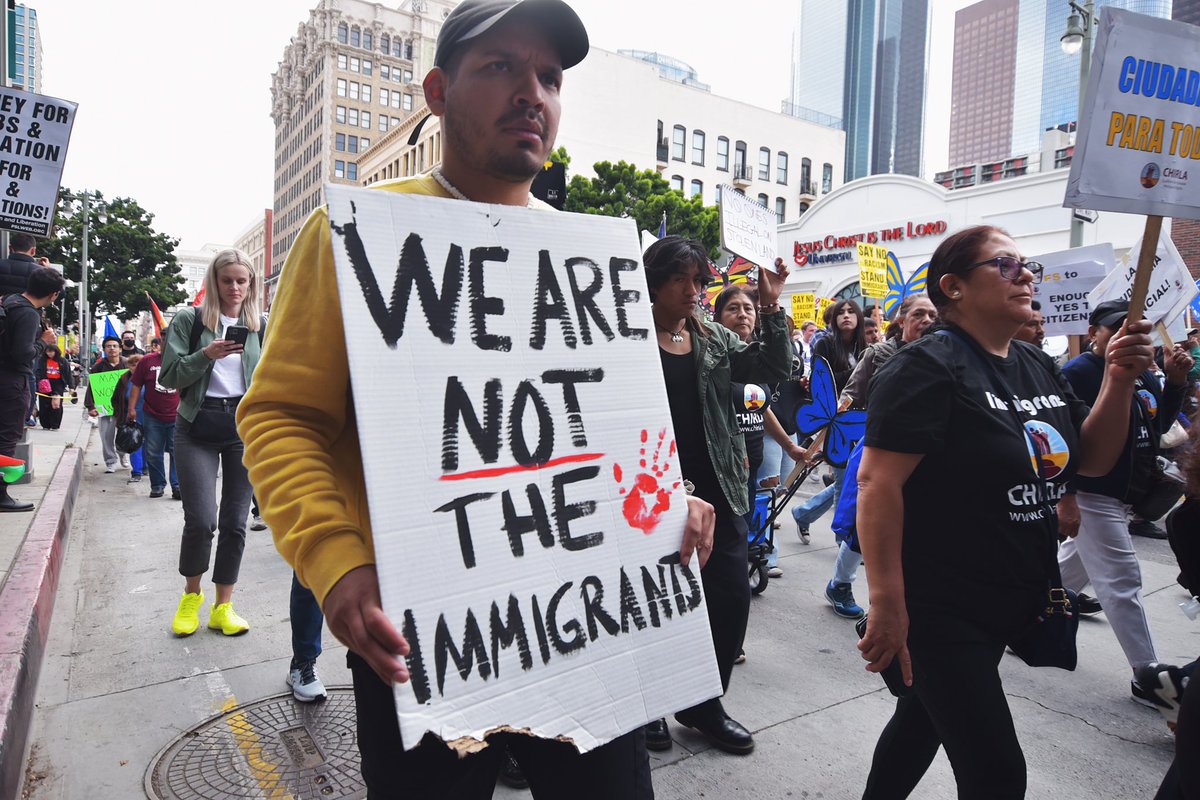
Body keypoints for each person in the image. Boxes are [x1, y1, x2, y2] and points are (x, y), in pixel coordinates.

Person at [238, 3, 697, 796]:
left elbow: (614, 431)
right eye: (501, 68)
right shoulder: (354, 233)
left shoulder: (585, 253)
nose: (533, 93)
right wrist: (336, 564)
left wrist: (667, 507)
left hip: (591, 627)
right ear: (438, 92)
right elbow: (281, 418)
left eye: (550, 78)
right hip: (422, 636)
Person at [856, 224, 1153, 799]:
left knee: (921, 723)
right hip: (940, 608)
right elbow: (876, 484)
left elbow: (1089, 461)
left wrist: (1118, 381)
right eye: (1006, 265)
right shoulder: (926, 366)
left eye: (1028, 266)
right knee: (997, 774)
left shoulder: (1033, 363)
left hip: (1008, 597)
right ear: (955, 287)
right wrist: (888, 604)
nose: (1026, 277)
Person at [640, 236, 791, 757]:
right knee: (654, 602)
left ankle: (703, 703)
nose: (692, 289)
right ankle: (647, 710)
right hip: (650, 492)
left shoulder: (712, 338)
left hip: (723, 487)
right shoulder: (625, 337)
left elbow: (773, 371)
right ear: (653, 281)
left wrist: (771, 306)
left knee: (728, 601)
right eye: (680, 278)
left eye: (700, 280)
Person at [1055, 299, 1191, 703]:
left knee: (1064, 574)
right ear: (1094, 331)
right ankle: (1148, 676)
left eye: (1133, 328)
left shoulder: (1145, 374)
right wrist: (1068, 494)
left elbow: (1159, 425)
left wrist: (1177, 382)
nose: (1124, 335)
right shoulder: (1078, 372)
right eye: (1113, 327)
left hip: (1128, 490)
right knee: (1122, 579)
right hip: (1094, 490)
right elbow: (1063, 437)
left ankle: (1016, 623)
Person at [159, 248, 262, 638]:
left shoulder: (259, 324)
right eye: (227, 280)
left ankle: (223, 606)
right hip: (196, 427)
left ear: (250, 284)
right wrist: (206, 354)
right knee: (201, 521)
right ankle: (191, 597)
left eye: (242, 280)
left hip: (242, 430)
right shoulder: (190, 319)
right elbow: (169, 376)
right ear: (213, 283)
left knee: (235, 523)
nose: (235, 287)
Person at [819, 294, 937, 619]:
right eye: (920, 314)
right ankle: (840, 583)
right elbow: (851, 392)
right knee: (867, 525)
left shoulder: (941, 355)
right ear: (901, 319)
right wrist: (830, 427)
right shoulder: (879, 353)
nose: (928, 320)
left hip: (925, 453)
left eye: (933, 315)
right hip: (878, 448)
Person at [713, 284, 805, 580]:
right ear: (717, 317)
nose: (742, 314)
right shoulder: (714, 358)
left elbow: (760, 408)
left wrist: (790, 447)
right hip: (724, 466)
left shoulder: (757, 360)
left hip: (750, 463)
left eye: (749, 308)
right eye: (733, 308)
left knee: (749, 523)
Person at [791, 298, 867, 544]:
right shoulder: (825, 343)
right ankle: (843, 541)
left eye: (850, 311)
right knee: (845, 481)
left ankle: (803, 513)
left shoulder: (865, 348)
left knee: (850, 481)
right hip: (835, 421)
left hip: (861, 420)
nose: (846, 315)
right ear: (833, 319)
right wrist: (860, 373)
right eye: (840, 312)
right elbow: (823, 380)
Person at [0, 266, 61, 511]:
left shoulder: (11, 300)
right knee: (6, 438)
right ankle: (1, 494)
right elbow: (22, 353)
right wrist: (42, 342)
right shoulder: (28, 314)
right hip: (13, 381)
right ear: (53, 295)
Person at [128, 340, 181, 499]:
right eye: (164, 338)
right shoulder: (147, 361)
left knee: (177, 452)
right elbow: (136, 385)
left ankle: (177, 486)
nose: (168, 342)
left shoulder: (183, 359)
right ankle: (157, 485)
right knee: (153, 452)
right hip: (152, 415)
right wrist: (131, 408)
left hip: (178, 415)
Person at [84, 336, 127, 473]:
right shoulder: (98, 367)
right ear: (104, 349)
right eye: (109, 346)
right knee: (106, 436)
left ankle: (122, 455)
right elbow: (91, 387)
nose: (112, 349)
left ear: (120, 349)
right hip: (105, 407)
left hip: (123, 407)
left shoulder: (127, 364)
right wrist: (90, 407)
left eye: (115, 346)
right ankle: (110, 461)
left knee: (124, 434)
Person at [113, 352, 145, 483]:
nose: (135, 367)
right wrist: (119, 413)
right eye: (132, 364)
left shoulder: (150, 378)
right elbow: (115, 398)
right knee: (134, 443)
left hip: (148, 415)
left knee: (149, 444)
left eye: (138, 364)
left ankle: (146, 467)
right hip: (131, 416)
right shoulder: (124, 379)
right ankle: (136, 471)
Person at [35, 343, 75, 430]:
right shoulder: (42, 360)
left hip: (58, 384)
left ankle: (55, 424)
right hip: (45, 384)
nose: (49, 354)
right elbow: (37, 371)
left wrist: (71, 386)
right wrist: (38, 382)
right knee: (44, 404)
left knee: (56, 404)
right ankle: (45, 424)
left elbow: (68, 374)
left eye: (51, 352)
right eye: (47, 352)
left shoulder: (62, 361)